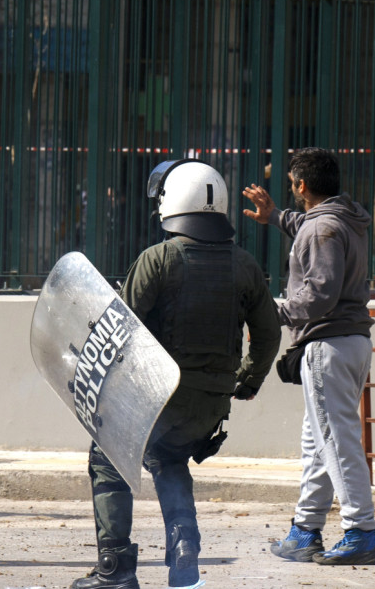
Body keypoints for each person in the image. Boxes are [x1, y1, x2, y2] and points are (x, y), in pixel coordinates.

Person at [72, 159, 281, 589]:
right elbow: (269, 333)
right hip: (210, 406)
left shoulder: (158, 259)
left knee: (107, 458)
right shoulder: (245, 265)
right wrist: (247, 379)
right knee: (169, 459)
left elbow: (120, 331)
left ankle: (115, 569)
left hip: (159, 399)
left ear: (173, 202)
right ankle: (185, 546)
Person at [243, 147, 375, 566]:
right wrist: (274, 216)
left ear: (302, 186)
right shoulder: (344, 218)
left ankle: (361, 531)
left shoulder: (323, 227)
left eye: (291, 184)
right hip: (350, 342)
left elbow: (320, 293)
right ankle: (305, 530)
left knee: (337, 442)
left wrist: (272, 312)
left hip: (329, 344)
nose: (290, 189)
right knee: (317, 441)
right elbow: (310, 227)